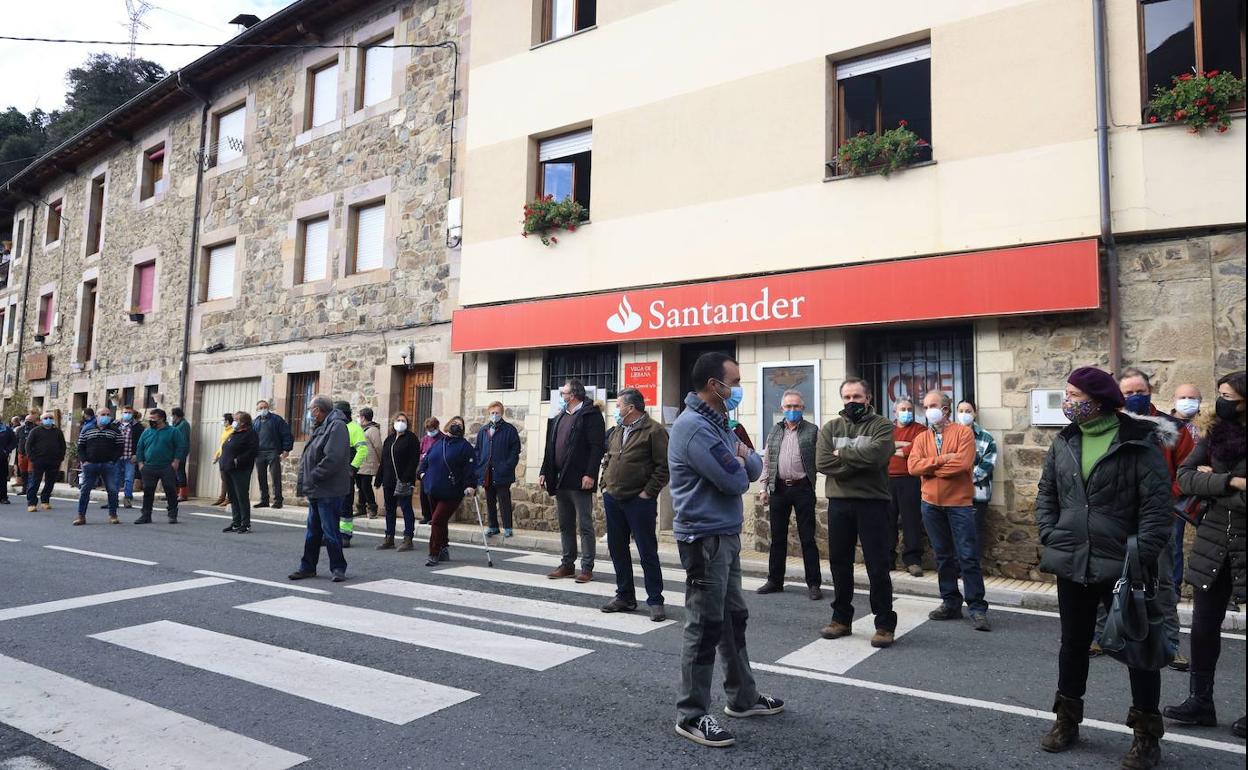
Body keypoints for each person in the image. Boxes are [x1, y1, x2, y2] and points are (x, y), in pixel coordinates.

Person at [1034, 366, 1172, 768]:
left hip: (1123, 564)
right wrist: (1051, 533)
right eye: (1066, 393)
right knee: (1073, 645)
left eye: (1074, 394)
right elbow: (1047, 493)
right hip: (1072, 559)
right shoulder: (1065, 441)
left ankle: (1147, 736)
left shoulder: (1139, 443)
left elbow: (1157, 510)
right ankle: (1066, 721)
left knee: (1139, 649)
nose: (1068, 401)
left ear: (1097, 400)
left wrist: (1139, 556)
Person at [670, 352, 782, 749]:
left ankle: (742, 697)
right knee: (703, 626)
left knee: (734, 619)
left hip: (726, 535)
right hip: (704, 539)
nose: (737, 389)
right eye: (733, 381)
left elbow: (754, 466)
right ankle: (691, 714)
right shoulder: (696, 429)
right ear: (713, 385)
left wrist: (742, 458)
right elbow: (736, 480)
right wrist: (741, 460)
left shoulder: (720, 424)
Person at [1164, 370, 1246, 739]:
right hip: (1214, 541)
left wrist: (1211, 481)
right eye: (1220, 394)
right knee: (1203, 626)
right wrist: (1229, 481)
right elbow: (1185, 477)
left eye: (1228, 395)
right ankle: (1200, 702)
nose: (1221, 401)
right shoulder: (1215, 434)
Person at [1114, 367, 1192, 671]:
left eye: (1140, 391)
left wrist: (1163, 498)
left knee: (1161, 583)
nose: (1135, 397)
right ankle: (1102, 635)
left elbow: (1187, 471)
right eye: (1128, 393)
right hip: (1117, 515)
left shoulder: (1173, 428)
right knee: (1107, 575)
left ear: (1150, 390)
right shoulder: (1111, 426)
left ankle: (1171, 645)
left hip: (1158, 516)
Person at [815, 377, 898, 646]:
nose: (852, 402)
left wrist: (843, 453)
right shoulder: (831, 427)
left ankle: (884, 624)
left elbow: (879, 455)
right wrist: (858, 460)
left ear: (868, 398)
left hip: (873, 503)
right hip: (839, 503)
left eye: (857, 397)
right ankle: (841, 619)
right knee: (839, 563)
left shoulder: (882, 425)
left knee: (877, 564)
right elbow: (823, 462)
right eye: (847, 397)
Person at [909, 390, 990, 632]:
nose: (928, 410)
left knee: (967, 556)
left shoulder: (963, 433)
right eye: (925, 406)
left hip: (959, 504)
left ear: (945, 408)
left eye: (932, 405)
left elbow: (963, 464)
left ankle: (977, 607)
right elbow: (913, 466)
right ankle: (950, 602)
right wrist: (942, 461)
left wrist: (930, 468)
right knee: (942, 555)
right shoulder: (922, 438)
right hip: (930, 504)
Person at [599, 387, 670, 620]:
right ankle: (625, 596)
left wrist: (648, 493)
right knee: (617, 549)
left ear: (630, 408)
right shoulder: (617, 430)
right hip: (614, 499)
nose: (616, 409)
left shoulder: (655, 430)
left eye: (618, 405)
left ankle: (655, 600)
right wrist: (604, 486)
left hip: (639, 502)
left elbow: (664, 467)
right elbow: (609, 458)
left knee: (647, 551)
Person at [756, 389, 822, 599]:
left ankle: (813, 584)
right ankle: (775, 581)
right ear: (782, 409)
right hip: (779, 489)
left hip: (803, 488)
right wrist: (763, 487)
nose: (792, 410)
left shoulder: (812, 430)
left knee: (807, 538)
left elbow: (821, 458)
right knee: (777, 538)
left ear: (803, 408)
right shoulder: (774, 431)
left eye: (796, 406)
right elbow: (767, 461)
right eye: (788, 406)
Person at [539, 379, 606, 583]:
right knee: (565, 524)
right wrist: (544, 471)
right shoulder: (559, 417)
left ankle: (587, 567)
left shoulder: (591, 415)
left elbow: (597, 447)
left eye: (564, 393)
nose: (562, 396)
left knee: (585, 524)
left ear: (574, 395)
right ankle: (567, 564)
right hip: (560, 479)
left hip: (580, 479)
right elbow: (550, 447)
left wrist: (590, 474)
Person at [290, 396, 350, 582]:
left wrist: (313, 476)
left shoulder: (337, 426)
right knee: (313, 532)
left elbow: (333, 457)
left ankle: (338, 568)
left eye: (311, 409)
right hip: (317, 489)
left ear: (318, 409)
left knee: (330, 531)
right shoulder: (323, 425)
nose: (309, 413)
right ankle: (307, 567)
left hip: (328, 489)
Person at [417, 415, 478, 567]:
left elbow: (470, 469)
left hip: (452, 492)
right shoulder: (438, 443)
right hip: (433, 489)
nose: (456, 425)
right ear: (448, 424)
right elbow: (425, 461)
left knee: (436, 520)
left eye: (460, 424)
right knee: (441, 522)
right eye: (454, 422)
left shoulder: (465, 447)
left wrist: (471, 485)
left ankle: (434, 553)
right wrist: (422, 474)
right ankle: (444, 548)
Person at [956, 399, 999, 559]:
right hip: (953, 494)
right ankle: (957, 567)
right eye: (961, 411)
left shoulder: (986, 438)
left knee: (972, 533)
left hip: (976, 494)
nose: (964, 414)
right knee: (956, 532)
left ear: (975, 413)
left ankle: (971, 567)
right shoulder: (950, 435)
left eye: (968, 411)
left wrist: (960, 478)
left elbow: (987, 465)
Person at [888, 399, 926, 576]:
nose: (906, 412)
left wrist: (896, 448)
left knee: (911, 521)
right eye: (903, 409)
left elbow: (918, 448)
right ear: (895, 412)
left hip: (911, 480)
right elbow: (880, 447)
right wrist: (904, 445)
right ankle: (887, 559)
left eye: (909, 409)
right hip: (887, 480)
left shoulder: (920, 430)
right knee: (886, 522)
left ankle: (913, 560)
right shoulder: (887, 429)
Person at [475, 401, 522, 538]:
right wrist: (479, 465)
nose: (494, 415)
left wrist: (508, 466)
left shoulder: (509, 430)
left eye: (497, 413)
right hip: (487, 471)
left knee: (504, 500)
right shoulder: (484, 430)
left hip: (502, 472)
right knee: (489, 500)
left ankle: (507, 527)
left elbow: (515, 450)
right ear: (489, 414)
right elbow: (478, 449)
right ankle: (493, 526)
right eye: (492, 413)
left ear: (502, 413)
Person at [375, 411, 419, 551]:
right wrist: (378, 478)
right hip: (388, 480)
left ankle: (408, 538)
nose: (401, 422)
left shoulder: (411, 439)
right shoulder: (389, 439)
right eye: (398, 420)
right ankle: (389, 537)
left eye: (403, 420)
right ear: (393, 423)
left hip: (403, 481)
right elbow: (384, 460)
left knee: (406, 508)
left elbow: (414, 460)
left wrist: (407, 477)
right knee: (389, 509)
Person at [134, 409, 187, 525]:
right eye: (150, 418)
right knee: (148, 491)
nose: (150, 420)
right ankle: (146, 515)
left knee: (170, 490)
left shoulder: (173, 431)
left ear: (162, 419)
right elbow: (139, 448)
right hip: (148, 466)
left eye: (153, 418)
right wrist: (141, 463)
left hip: (167, 466)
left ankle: (172, 514)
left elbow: (180, 446)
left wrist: (176, 461)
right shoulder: (147, 432)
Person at [75, 407, 123, 525]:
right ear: (97, 416)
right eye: (103, 414)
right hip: (90, 464)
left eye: (107, 414)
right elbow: (80, 447)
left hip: (108, 464)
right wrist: (84, 461)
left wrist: (113, 460)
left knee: (112, 490)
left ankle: (113, 515)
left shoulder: (115, 430)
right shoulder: (87, 429)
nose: (105, 417)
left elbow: (120, 447)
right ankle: (81, 516)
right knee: (85, 490)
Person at [220, 411, 259, 533]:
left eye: (236, 419)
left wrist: (238, 460)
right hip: (228, 469)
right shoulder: (234, 433)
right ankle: (236, 522)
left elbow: (253, 450)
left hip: (241, 470)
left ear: (243, 422)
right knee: (232, 496)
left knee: (241, 496)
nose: (234, 422)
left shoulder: (250, 434)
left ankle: (245, 523)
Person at [336, 401, 368, 548]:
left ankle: (345, 535)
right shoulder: (334, 427)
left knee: (345, 504)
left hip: (346, 473)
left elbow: (362, 450)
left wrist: (352, 468)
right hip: (333, 472)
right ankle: (332, 534)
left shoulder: (354, 428)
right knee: (332, 505)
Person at [253, 399, 293, 509]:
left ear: (268, 408)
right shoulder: (255, 422)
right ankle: (264, 500)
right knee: (261, 477)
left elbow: (286, 434)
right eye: (260, 408)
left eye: (265, 407)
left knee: (275, 477)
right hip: (259, 453)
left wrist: (286, 449)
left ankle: (278, 500)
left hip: (273, 451)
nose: (263, 410)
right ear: (257, 409)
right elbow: (252, 438)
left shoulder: (276, 420)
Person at [25, 412, 66, 512]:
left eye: (50, 417)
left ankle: (45, 501)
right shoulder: (35, 431)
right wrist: (32, 458)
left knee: (50, 482)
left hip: (53, 461)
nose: (48, 419)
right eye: (46, 418)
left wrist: (60, 457)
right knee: (35, 481)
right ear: (41, 420)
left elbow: (63, 446)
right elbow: (28, 445)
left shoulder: (57, 432)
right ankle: (31, 503)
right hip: (39, 460)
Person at [105, 407, 143, 510]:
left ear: (133, 414)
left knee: (129, 478)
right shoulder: (115, 425)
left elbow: (141, 443)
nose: (127, 414)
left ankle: (127, 499)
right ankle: (113, 500)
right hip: (117, 456)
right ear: (121, 413)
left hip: (130, 456)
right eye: (125, 412)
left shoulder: (137, 427)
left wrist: (137, 454)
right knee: (115, 479)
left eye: (129, 412)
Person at [356, 407, 383, 519]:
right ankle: (361, 508)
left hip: (368, 463)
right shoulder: (361, 429)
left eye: (359, 416)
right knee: (360, 486)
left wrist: (381, 461)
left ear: (363, 417)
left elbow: (378, 447)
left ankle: (372, 507)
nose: (358, 419)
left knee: (365, 486)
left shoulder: (373, 430)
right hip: (359, 463)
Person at [418, 417, 442, 525]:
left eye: (432, 429)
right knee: (423, 494)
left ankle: (435, 516)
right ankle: (426, 515)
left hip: (437, 471)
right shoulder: (425, 439)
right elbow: (420, 452)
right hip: (425, 470)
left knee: (434, 495)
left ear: (437, 427)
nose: (430, 432)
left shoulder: (443, 439)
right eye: (428, 430)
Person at [211, 413, 234, 507]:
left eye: (223, 420)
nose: (222, 422)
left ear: (228, 421)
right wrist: (216, 456)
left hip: (228, 457)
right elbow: (221, 445)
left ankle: (229, 498)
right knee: (224, 479)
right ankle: (222, 497)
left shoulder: (232, 431)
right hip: (222, 456)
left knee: (228, 479)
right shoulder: (225, 431)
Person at [169, 407, 191, 501]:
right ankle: (174, 493)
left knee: (180, 472)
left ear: (176, 415)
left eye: (172, 415)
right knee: (173, 474)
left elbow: (183, 441)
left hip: (180, 453)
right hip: (173, 452)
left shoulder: (184, 425)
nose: (172, 417)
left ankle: (183, 494)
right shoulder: (176, 424)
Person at [0, 416, 17, 504]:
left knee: (2, 478)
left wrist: (6, 450)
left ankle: (3, 497)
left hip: (2, 458)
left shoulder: (7, 430)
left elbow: (14, 442)